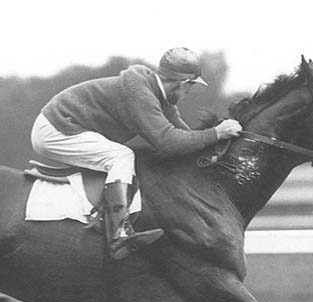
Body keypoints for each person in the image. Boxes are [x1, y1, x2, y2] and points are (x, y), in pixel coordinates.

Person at [31, 47, 244, 260]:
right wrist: (216, 133)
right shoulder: (141, 94)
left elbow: (184, 138)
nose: (187, 95)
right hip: (56, 128)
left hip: (67, 125)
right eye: (189, 89)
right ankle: (118, 235)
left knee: (121, 156)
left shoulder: (160, 98)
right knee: (122, 156)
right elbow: (168, 142)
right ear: (183, 84)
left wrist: (215, 147)